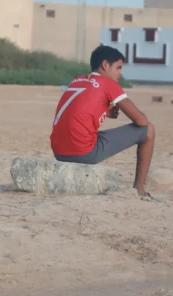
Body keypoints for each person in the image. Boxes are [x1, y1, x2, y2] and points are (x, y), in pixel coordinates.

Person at [50, 45, 157, 200]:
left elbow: (78, 109)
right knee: (148, 130)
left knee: (87, 132)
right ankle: (139, 190)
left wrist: (105, 112)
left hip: (59, 152)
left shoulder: (77, 80)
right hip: (83, 154)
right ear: (105, 65)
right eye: (118, 68)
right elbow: (140, 121)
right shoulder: (109, 84)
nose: (120, 73)